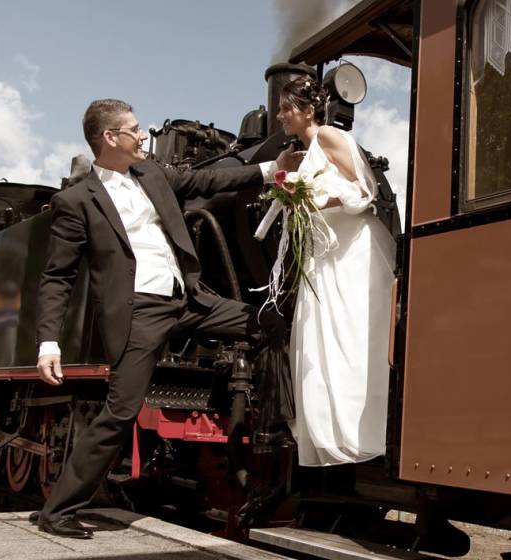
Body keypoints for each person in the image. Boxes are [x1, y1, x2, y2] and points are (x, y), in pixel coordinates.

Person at [34, 98, 301, 539]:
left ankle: (275, 426)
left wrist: (273, 165)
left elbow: (208, 178)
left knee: (268, 324)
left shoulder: (154, 172)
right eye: (135, 129)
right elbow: (56, 277)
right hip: (138, 312)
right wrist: (49, 342)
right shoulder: (75, 202)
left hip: (188, 299)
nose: (143, 135)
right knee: (120, 412)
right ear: (110, 138)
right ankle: (58, 511)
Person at [274, 78, 396, 466]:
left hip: (350, 254)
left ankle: (368, 431)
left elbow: (363, 192)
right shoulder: (302, 151)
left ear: (308, 110)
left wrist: (311, 198)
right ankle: (335, 434)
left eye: (286, 109)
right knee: (322, 346)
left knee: (353, 341)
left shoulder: (328, 135)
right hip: (324, 256)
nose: (280, 116)